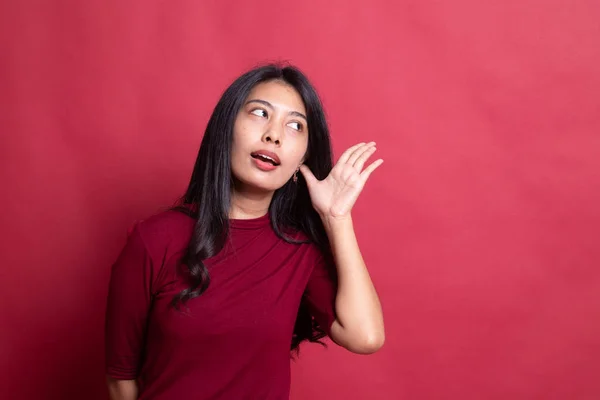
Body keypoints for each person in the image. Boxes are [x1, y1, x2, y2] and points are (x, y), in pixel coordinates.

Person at [104, 64, 385, 400]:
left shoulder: (299, 250)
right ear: (226, 128)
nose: (274, 135)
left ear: (302, 159)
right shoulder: (155, 239)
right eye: (259, 113)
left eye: (295, 125)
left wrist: (336, 217)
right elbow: (121, 378)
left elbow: (365, 336)